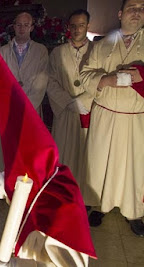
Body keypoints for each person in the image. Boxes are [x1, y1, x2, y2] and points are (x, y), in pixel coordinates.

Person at [80, 0, 144, 236]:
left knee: (134, 166)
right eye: (131, 8)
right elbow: (85, 74)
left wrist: (141, 77)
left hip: (137, 117)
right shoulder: (103, 43)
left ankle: (134, 211)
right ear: (120, 13)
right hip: (106, 114)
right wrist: (104, 80)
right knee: (101, 163)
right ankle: (100, 205)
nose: (136, 12)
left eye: (141, 8)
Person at [47, 9, 94, 187]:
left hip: (88, 112)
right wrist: (68, 102)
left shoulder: (97, 51)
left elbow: (101, 81)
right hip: (65, 111)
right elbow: (50, 81)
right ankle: (63, 190)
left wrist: (84, 101)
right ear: (68, 27)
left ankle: (85, 196)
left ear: (88, 26)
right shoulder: (57, 52)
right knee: (64, 153)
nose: (77, 29)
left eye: (81, 25)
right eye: (73, 26)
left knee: (87, 156)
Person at [0, 12, 48, 115]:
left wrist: (27, 105)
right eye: (19, 25)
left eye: (26, 25)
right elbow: (0, 80)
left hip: (32, 108)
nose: (22, 28)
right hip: (9, 106)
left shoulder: (40, 51)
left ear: (31, 28)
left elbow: (41, 81)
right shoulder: (3, 51)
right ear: (14, 27)